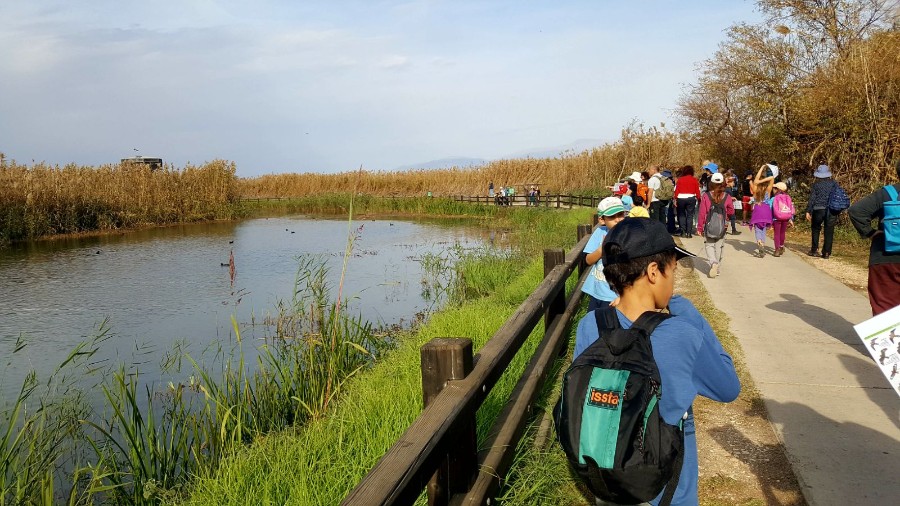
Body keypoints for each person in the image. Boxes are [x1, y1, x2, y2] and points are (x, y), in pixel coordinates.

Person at [573, 218, 740, 506]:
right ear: (653, 272)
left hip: (608, 476)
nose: (673, 281)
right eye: (673, 271)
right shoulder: (682, 333)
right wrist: (685, 310)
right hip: (666, 491)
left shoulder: (591, 324)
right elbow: (728, 388)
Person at [848, 161, 900, 315]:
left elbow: (856, 211)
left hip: (885, 256)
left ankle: (890, 339)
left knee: (885, 304)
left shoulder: (887, 193)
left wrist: (870, 233)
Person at [582, 197, 627, 313]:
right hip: (597, 292)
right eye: (612, 217)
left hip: (616, 297)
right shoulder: (599, 233)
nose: (618, 220)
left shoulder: (629, 236)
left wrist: (623, 296)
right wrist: (601, 250)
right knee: (594, 324)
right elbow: (588, 260)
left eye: (620, 214)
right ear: (602, 220)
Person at [697, 173, 734, 278]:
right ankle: (717, 268)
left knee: (709, 245)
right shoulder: (727, 197)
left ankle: (713, 263)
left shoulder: (706, 196)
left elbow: (702, 213)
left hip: (708, 226)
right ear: (723, 184)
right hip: (722, 226)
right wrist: (727, 216)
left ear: (711, 184)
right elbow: (731, 211)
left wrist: (700, 227)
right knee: (719, 246)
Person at [805, 164, 840, 259]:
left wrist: (808, 211)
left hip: (818, 209)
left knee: (816, 229)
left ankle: (814, 250)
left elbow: (812, 199)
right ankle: (826, 252)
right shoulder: (834, 183)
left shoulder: (816, 184)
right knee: (829, 231)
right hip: (831, 210)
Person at [749, 164, 775, 257]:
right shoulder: (768, 190)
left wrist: (762, 167)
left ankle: (759, 242)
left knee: (757, 229)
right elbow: (772, 178)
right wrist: (763, 180)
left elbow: (756, 180)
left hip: (758, 209)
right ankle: (762, 244)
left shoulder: (755, 189)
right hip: (766, 210)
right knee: (763, 228)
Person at [673, 165, 701, 238]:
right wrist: (699, 199)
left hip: (681, 198)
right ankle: (689, 233)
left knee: (681, 215)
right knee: (690, 215)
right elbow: (697, 191)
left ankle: (683, 231)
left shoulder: (680, 180)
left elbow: (677, 191)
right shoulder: (694, 180)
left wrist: (675, 199)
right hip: (691, 198)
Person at [771, 182, 795, 257]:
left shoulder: (774, 198)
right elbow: (791, 208)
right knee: (782, 232)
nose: (773, 190)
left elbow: (770, 208)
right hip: (786, 217)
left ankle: (777, 249)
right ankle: (781, 246)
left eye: (774, 188)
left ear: (777, 189)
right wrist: (791, 218)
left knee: (776, 233)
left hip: (776, 218)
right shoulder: (788, 197)